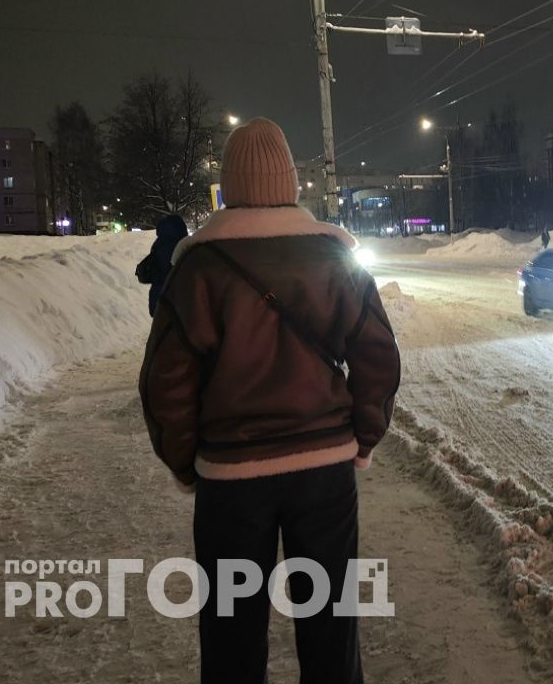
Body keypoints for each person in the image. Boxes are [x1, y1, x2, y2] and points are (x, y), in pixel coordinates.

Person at [139, 118, 401, 684]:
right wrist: (363, 437)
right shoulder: (334, 259)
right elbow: (378, 357)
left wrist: (188, 464)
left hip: (230, 480)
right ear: (289, 182)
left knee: (232, 638)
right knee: (331, 631)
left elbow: (165, 383)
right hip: (323, 473)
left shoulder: (198, 269)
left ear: (229, 187)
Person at [136, 214, 189, 316]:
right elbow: (172, 271)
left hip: (158, 294)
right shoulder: (177, 245)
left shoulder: (159, 243)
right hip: (170, 296)